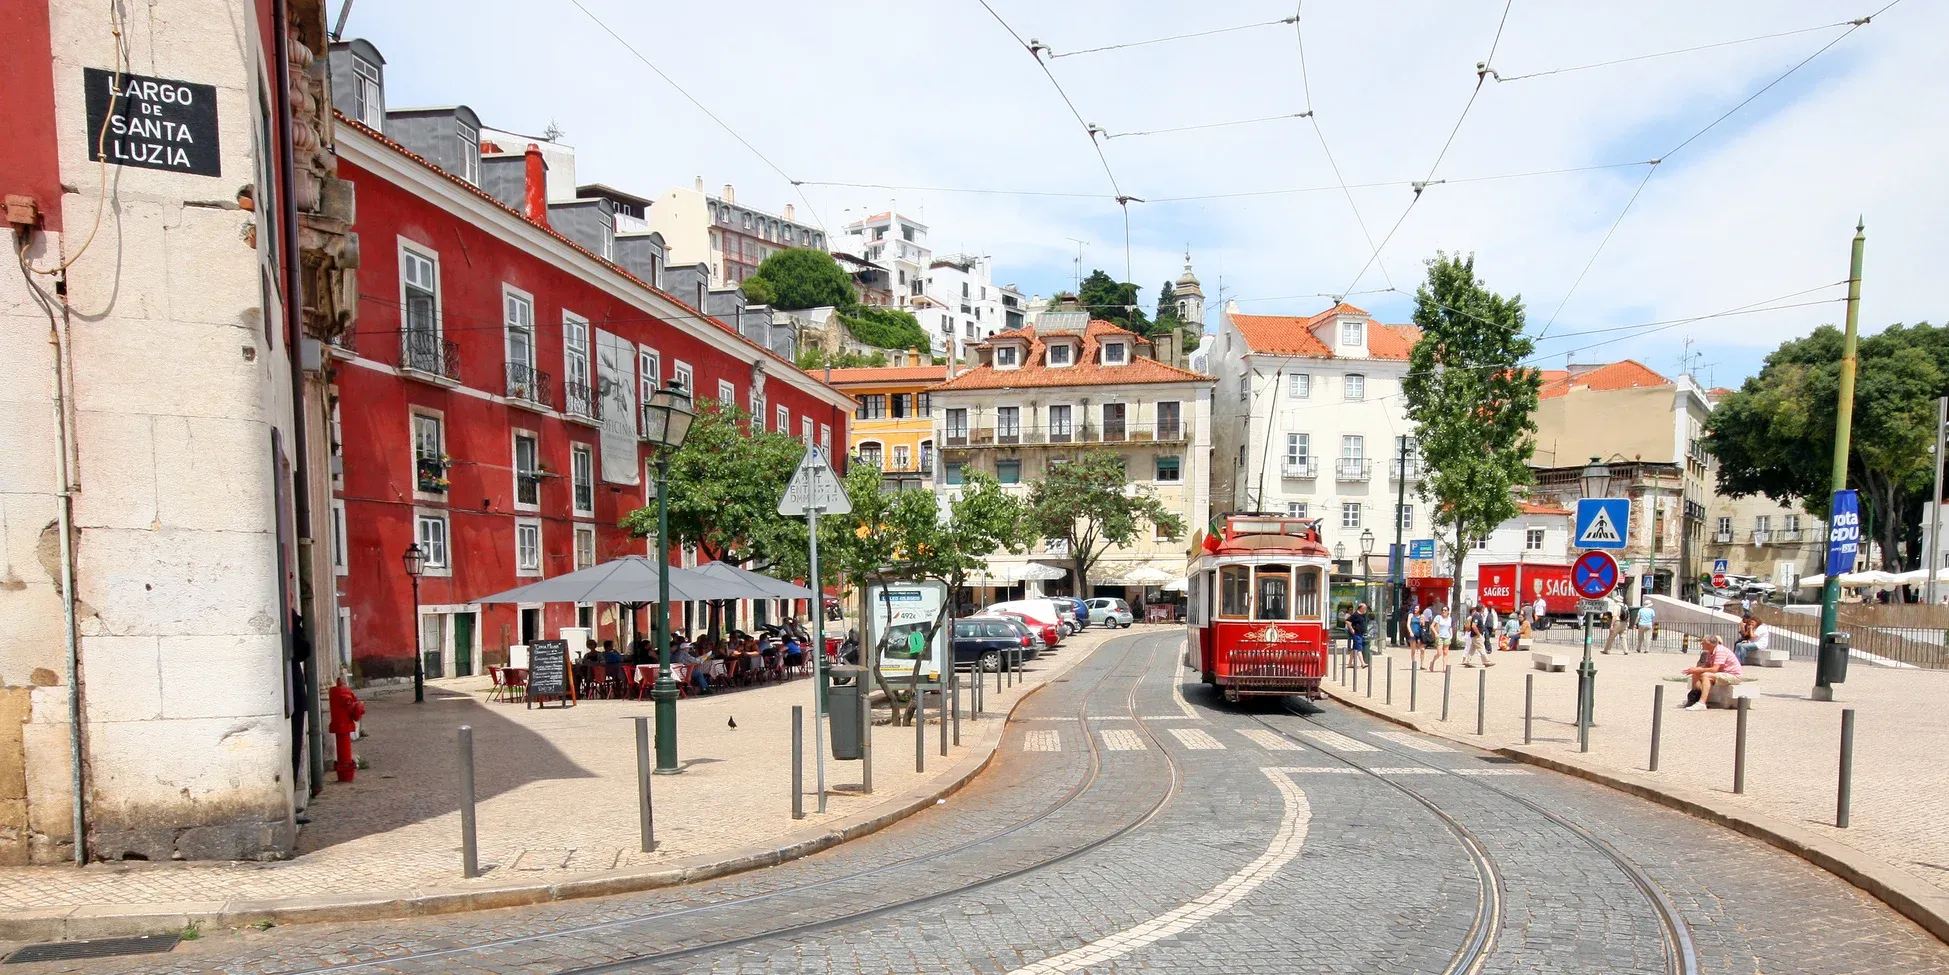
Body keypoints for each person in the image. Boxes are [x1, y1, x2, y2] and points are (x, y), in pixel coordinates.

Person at [1682, 634, 1743, 710]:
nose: (1701, 643)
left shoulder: (1720, 651)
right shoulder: (1710, 652)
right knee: (1696, 674)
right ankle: (1695, 698)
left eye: (1703, 642)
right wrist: (1695, 670)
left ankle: (1702, 703)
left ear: (1708, 643)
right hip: (1722, 674)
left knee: (1706, 676)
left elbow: (1714, 669)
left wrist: (1699, 670)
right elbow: (1707, 666)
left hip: (1733, 675)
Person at [1348, 602, 1371, 670]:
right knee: (1359, 649)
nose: (1365, 609)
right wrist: (1351, 629)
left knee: (1354, 649)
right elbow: (1348, 621)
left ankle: (1350, 663)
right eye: (1365, 608)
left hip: (1360, 634)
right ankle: (1362, 663)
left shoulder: (1362, 614)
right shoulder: (1355, 614)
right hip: (1356, 634)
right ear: (1361, 608)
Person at [1430, 604, 1454, 671]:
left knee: (1445, 652)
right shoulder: (1438, 617)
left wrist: (1451, 635)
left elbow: (1450, 627)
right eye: (1443, 610)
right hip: (1440, 636)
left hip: (1447, 636)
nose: (1444, 611)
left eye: (1445, 610)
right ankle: (1432, 662)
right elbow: (1432, 626)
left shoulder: (1450, 619)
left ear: (1448, 611)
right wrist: (1435, 633)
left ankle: (1444, 667)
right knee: (1439, 653)